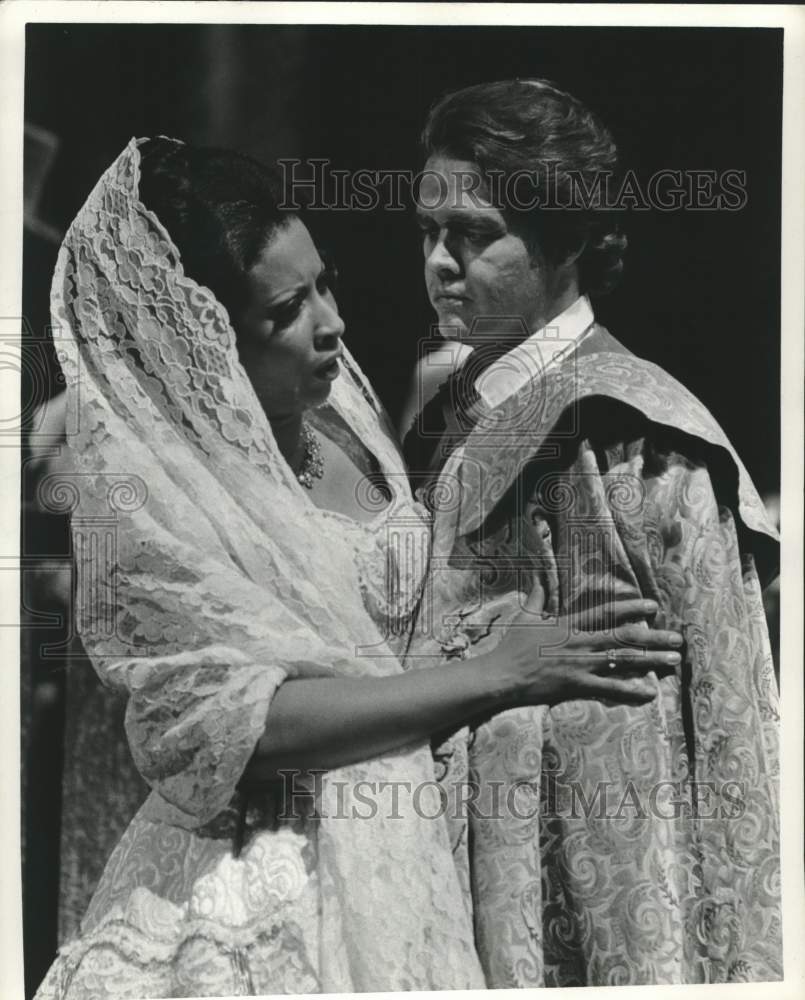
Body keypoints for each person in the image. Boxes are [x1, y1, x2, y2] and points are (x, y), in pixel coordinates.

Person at [33, 136, 683, 998]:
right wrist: (493, 676)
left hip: (407, 835)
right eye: (284, 312)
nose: (331, 323)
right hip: (270, 888)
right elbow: (238, 730)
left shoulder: (335, 400)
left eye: (324, 283)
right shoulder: (154, 492)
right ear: (199, 346)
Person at [402, 79, 781, 986]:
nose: (441, 264)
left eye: (475, 234)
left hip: (598, 864)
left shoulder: (633, 427)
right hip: (459, 843)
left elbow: (732, 713)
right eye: (428, 233)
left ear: (565, 238)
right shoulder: (456, 406)